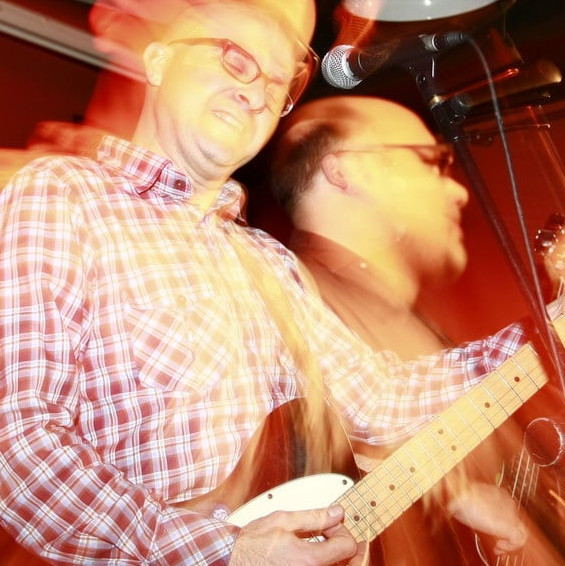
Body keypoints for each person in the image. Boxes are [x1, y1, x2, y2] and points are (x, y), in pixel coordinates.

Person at [0, 0, 557, 564]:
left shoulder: (266, 261)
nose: (257, 93)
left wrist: (547, 330)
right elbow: (18, 442)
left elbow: (385, 400)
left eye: (276, 84)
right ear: (160, 61)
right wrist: (224, 551)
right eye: (235, 58)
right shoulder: (64, 193)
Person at [269, 94, 565, 565]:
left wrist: (462, 490)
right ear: (344, 171)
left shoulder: (391, 307)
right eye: (431, 160)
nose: (458, 191)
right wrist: (450, 490)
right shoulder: (290, 305)